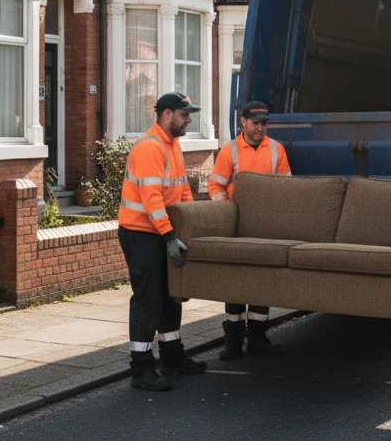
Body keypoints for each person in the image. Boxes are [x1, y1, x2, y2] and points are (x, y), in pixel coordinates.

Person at [117, 92, 208, 391]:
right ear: (167, 114)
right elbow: (151, 198)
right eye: (185, 115)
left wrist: (189, 224)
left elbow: (181, 190)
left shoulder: (173, 145)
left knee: (171, 296)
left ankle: (171, 355)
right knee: (148, 299)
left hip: (162, 231)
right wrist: (169, 235)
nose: (189, 120)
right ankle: (141, 368)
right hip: (141, 233)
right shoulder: (150, 147)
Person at [207, 101, 291, 359]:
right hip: (236, 227)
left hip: (265, 226)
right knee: (235, 281)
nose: (261, 128)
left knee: (260, 281)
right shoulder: (229, 151)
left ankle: (257, 338)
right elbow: (215, 187)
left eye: (265, 123)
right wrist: (229, 210)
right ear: (243, 121)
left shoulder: (277, 150)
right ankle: (232, 341)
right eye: (256, 123)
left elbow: (286, 188)